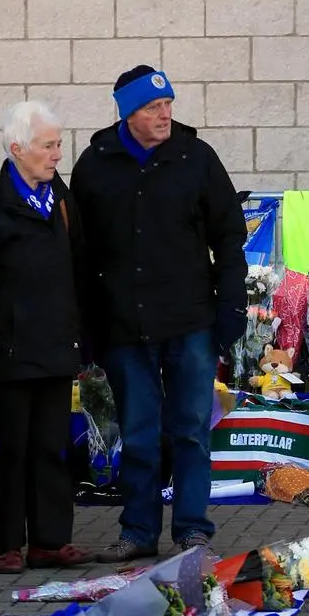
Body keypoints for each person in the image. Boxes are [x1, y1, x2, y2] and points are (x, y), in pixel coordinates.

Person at [71, 66, 247, 561]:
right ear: (128, 113)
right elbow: (79, 256)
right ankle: (139, 531)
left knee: (190, 430)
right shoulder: (94, 166)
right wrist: (85, 327)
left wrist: (231, 307)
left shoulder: (197, 158)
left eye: (168, 102)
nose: (165, 113)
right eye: (152, 107)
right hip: (124, 328)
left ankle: (192, 529)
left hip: (191, 323)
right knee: (141, 436)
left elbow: (229, 237)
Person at [0, 100, 94, 575]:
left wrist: (83, 335)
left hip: (55, 349)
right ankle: (9, 543)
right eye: (48, 146)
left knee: (52, 448)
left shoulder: (62, 200)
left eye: (58, 144)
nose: (57, 154)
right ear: (18, 149)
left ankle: (50, 542)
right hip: (9, 354)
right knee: (12, 449)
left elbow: (79, 273)